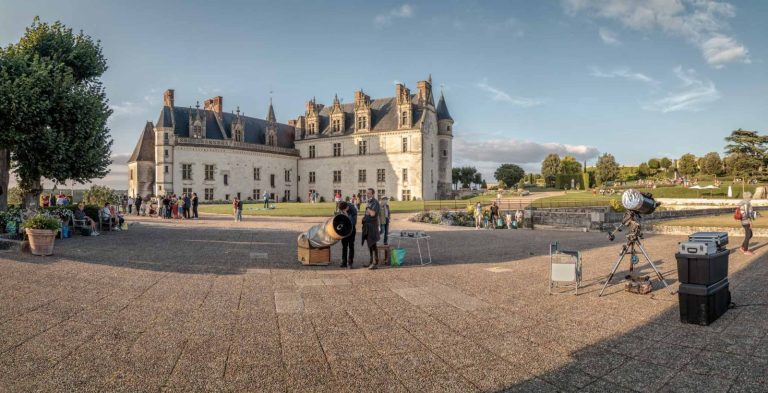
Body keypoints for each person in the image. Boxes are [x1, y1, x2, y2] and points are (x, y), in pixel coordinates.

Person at [362, 188, 381, 269]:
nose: (367, 194)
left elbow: (373, 214)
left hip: (372, 226)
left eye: (369, 193)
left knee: (373, 244)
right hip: (367, 226)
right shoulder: (369, 202)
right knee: (370, 245)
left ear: (373, 194)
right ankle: (371, 261)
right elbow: (368, 213)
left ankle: (375, 263)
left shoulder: (375, 202)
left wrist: (367, 208)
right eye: (367, 193)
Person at [338, 201, 357, 269]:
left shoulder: (353, 209)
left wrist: (346, 214)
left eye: (342, 210)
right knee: (344, 246)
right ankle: (344, 262)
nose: (341, 211)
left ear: (346, 208)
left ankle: (350, 262)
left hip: (351, 229)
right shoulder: (341, 208)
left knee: (351, 245)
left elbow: (353, 222)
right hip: (344, 229)